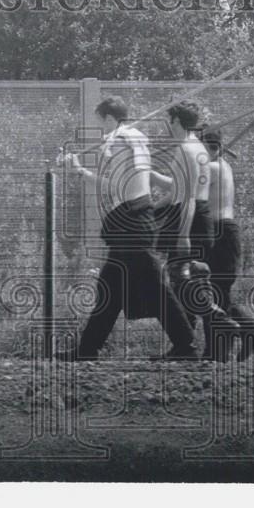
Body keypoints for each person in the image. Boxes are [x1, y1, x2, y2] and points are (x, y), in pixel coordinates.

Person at [55, 96, 198, 361]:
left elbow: (116, 185)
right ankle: (87, 350)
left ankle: (187, 345)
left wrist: (79, 171)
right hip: (132, 220)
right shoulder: (136, 138)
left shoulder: (120, 141)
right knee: (109, 288)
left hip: (131, 222)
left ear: (109, 118)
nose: (102, 129)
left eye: (101, 122)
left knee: (156, 287)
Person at [151, 102, 239, 359]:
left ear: (176, 120)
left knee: (180, 278)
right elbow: (180, 188)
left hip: (190, 216)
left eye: (169, 119)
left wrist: (183, 234)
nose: (168, 124)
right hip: (192, 214)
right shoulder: (194, 148)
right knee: (185, 279)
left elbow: (189, 197)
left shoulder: (189, 149)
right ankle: (188, 343)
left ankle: (213, 321)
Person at [200, 126, 254, 361]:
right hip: (225, 232)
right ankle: (242, 336)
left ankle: (222, 348)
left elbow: (188, 191)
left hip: (219, 233)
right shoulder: (224, 166)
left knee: (210, 294)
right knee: (218, 294)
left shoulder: (212, 168)